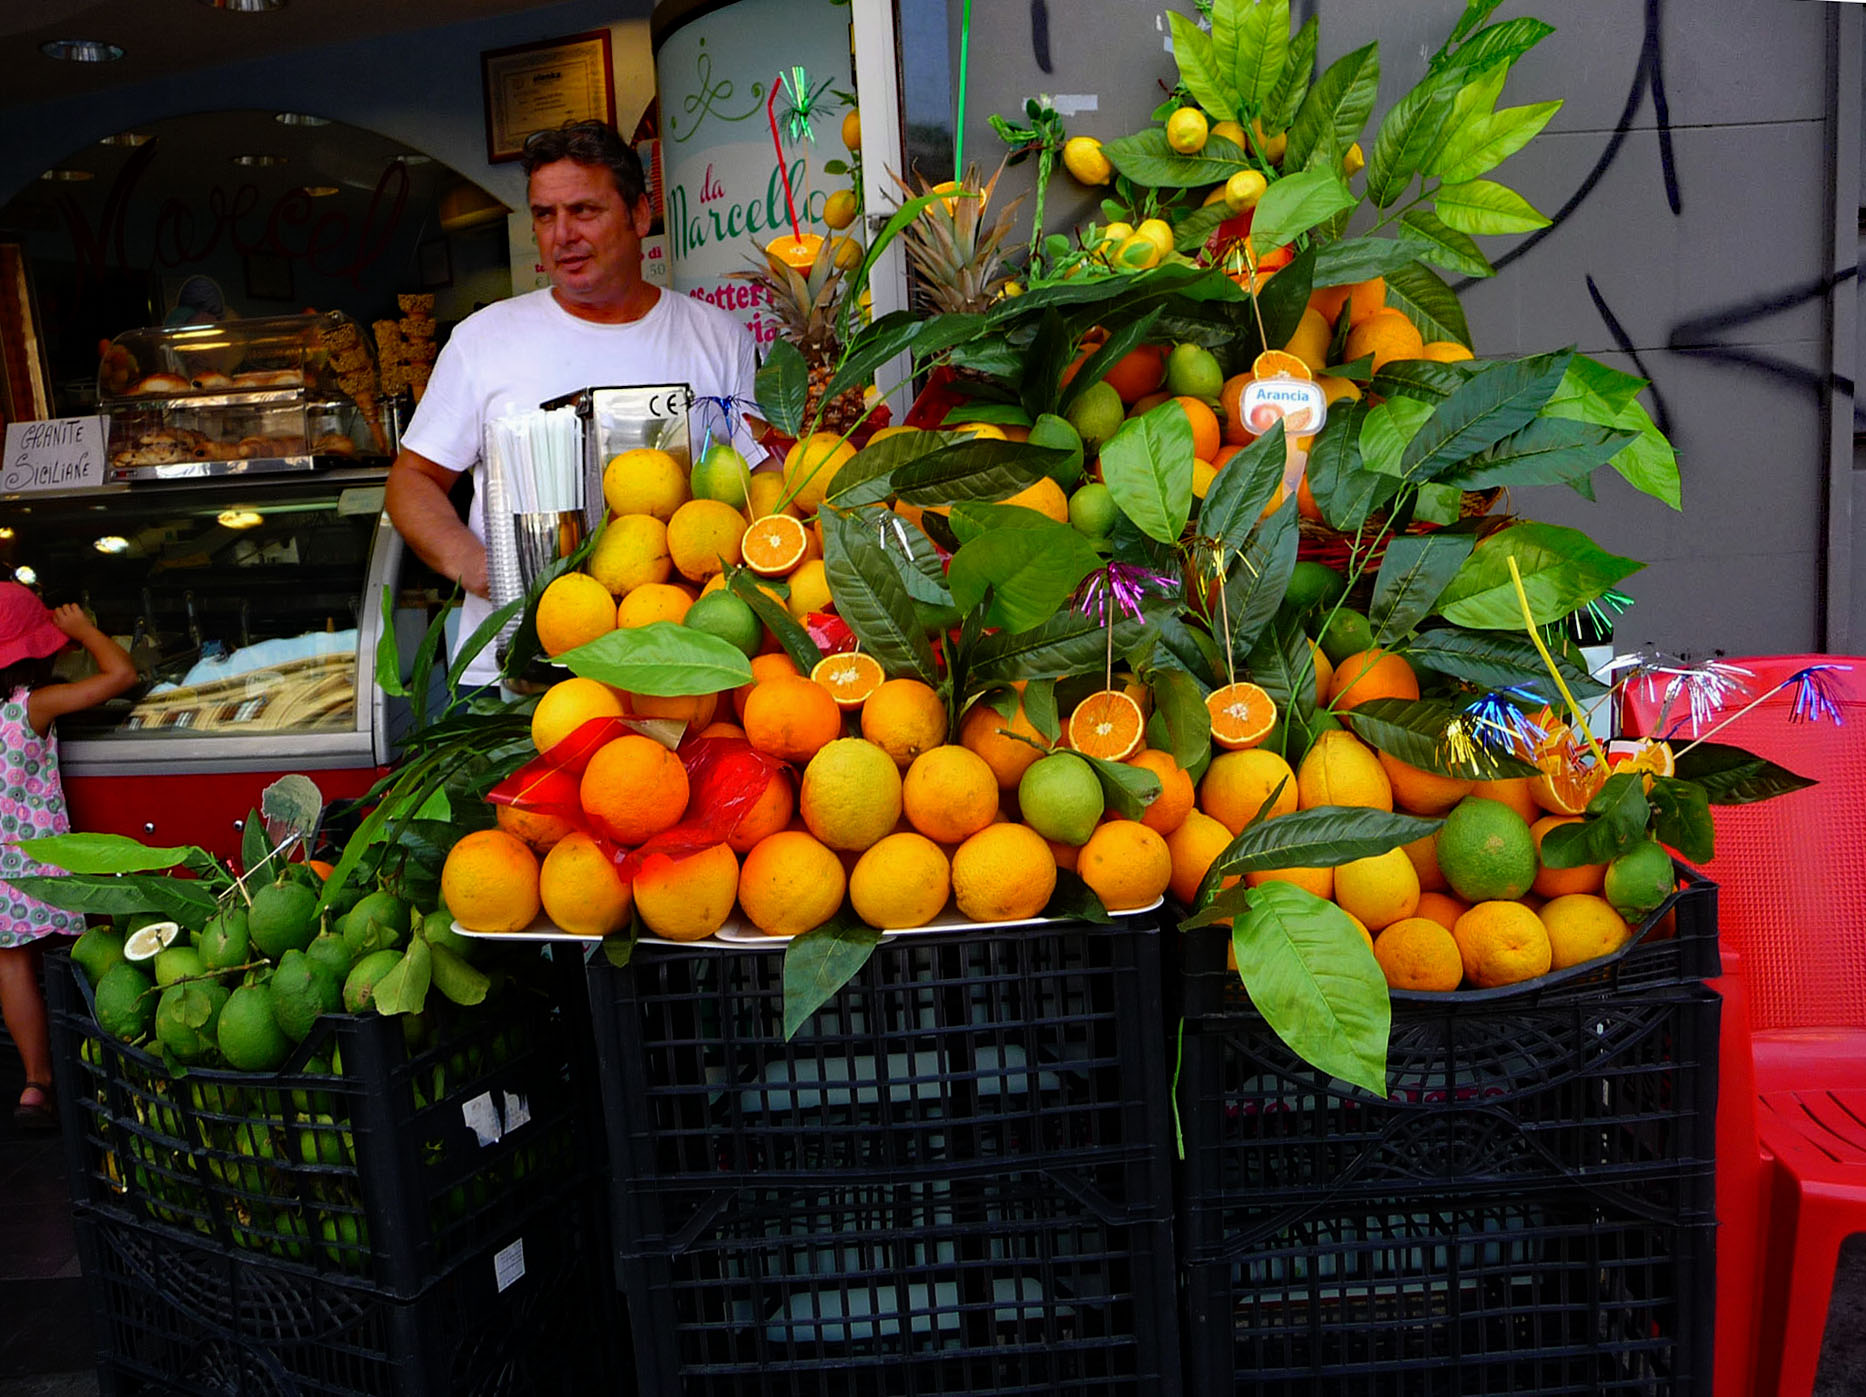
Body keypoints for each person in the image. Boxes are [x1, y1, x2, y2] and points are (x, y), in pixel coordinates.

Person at [385, 119, 763, 687]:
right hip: (515, 671)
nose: (561, 235)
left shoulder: (718, 338)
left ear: (639, 215)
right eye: (544, 214)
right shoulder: (482, 341)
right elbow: (412, 480)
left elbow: (760, 490)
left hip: (679, 664)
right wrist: (481, 567)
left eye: (584, 211)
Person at [0, 585, 137, 1127]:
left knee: (11, 967)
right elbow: (122, 676)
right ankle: (109, 1072)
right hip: (42, 864)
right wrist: (85, 630)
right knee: (82, 956)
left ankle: (37, 1084)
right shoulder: (33, 707)